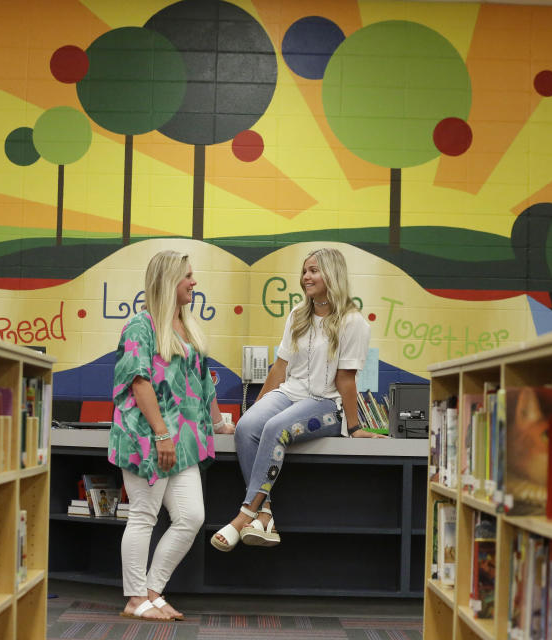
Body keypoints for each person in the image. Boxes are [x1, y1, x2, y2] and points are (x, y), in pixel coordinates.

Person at [211, 248, 386, 552]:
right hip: (290, 393)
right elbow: (279, 368)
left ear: (332, 273)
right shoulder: (297, 315)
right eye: (305, 271)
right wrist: (258, 407)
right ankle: (265, 516)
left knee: (276, 427)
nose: (306, 277)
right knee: (247, 426)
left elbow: (346, 380)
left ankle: (245, 515)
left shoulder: (353, 322)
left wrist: (355, 426)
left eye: (314, 270)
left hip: (325, 404)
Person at [109, 250, 219, 621]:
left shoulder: (188, 327)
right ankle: (135, 599)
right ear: (169, 281)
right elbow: (138, 382)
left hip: (183, 442)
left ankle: (153, 592)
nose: (194, 282)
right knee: (144, 515)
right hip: (147, 438)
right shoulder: (140, 326)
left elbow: (204, 384)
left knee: (191, 516)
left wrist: (220, 423)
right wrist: (160, 434)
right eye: (188, 276)